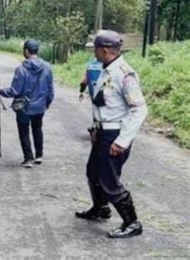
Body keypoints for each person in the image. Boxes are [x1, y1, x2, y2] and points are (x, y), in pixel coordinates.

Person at [75, 30, 148, 239]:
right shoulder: (105, 70)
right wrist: (95, 129)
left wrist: (122, 141)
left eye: (95, 49)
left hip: (115, 135)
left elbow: (140, 110)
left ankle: (132, 223)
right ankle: (101, 208)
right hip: (103, 132)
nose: (94, 53)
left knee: (109, 180)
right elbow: (104, 106)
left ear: (105, 50)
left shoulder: (124, 74)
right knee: (93, 173)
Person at [0, 39, 54, 168]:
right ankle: (39, 155)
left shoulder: (21, 69)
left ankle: (28, 158)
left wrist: (1, 91)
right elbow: (50, 89)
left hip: (24, 107)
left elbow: (15, 90)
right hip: (39, 106)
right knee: (37, 129)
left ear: (26, 51)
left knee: (24, 132)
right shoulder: (47, 67)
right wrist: (48, 102)